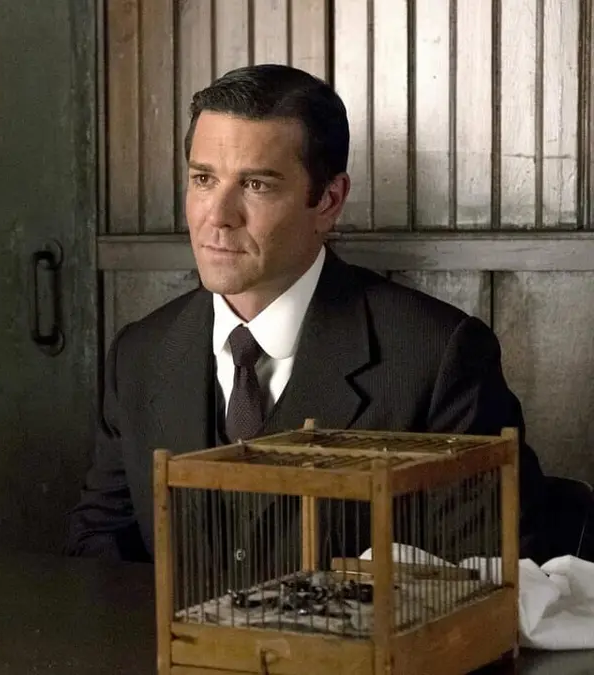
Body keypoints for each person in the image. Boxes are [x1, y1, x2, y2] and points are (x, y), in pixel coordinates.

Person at [63, 64, 551, 570]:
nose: (218, 216)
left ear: (328, 201)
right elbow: (98, 548)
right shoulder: (139, 354)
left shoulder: (439, 357)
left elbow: (490, 575)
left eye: (256, 184)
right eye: (203, 179)